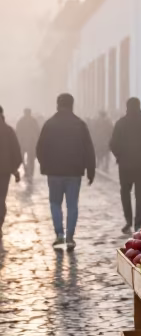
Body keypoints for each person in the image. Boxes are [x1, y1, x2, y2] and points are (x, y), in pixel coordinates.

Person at [36, 93, 95, 250]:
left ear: (57, 105)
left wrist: (45, 165)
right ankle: (70, 237)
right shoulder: (79, 124)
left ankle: (59, 235)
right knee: (72, 205)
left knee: (55, 203)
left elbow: (40, 148)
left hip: (54, 172)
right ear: (72, 105)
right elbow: (89, 149)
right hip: (74, 172)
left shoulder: (49, 124)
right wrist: (91, 170)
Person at [109, 97, 141, 234]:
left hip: (125, 164)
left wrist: (119, 156)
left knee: (125, 192)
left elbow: (113, 144)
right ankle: (138, 224)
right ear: (139, 107)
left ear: (127, 107)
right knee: (140, 194)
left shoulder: (121, 123)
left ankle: (128, 221)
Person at [0, 108, 22, 237]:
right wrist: (14, 169)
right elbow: (16, 152)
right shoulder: (8, 131)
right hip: (4, 171)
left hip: (4, 170)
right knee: (1, 198)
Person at [16, 108, 39, 181]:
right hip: (28, 143)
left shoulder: (21, 121)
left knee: (28, 159)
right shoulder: (33, 121)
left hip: (26, 143)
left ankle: (28, 171)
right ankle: (29, 172)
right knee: (29, 159)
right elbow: (37, 132)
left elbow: (17, 131)